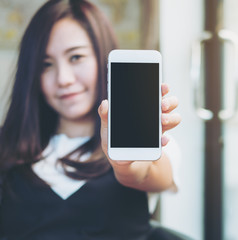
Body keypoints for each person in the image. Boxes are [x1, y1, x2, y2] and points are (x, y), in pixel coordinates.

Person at [0, 0, 182, 239]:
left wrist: (125, 164)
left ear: (102, 58)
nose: (63, 78)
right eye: (46, 65)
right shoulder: (7, 146)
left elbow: (144, 173)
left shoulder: (154, 145)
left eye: (76, 57)